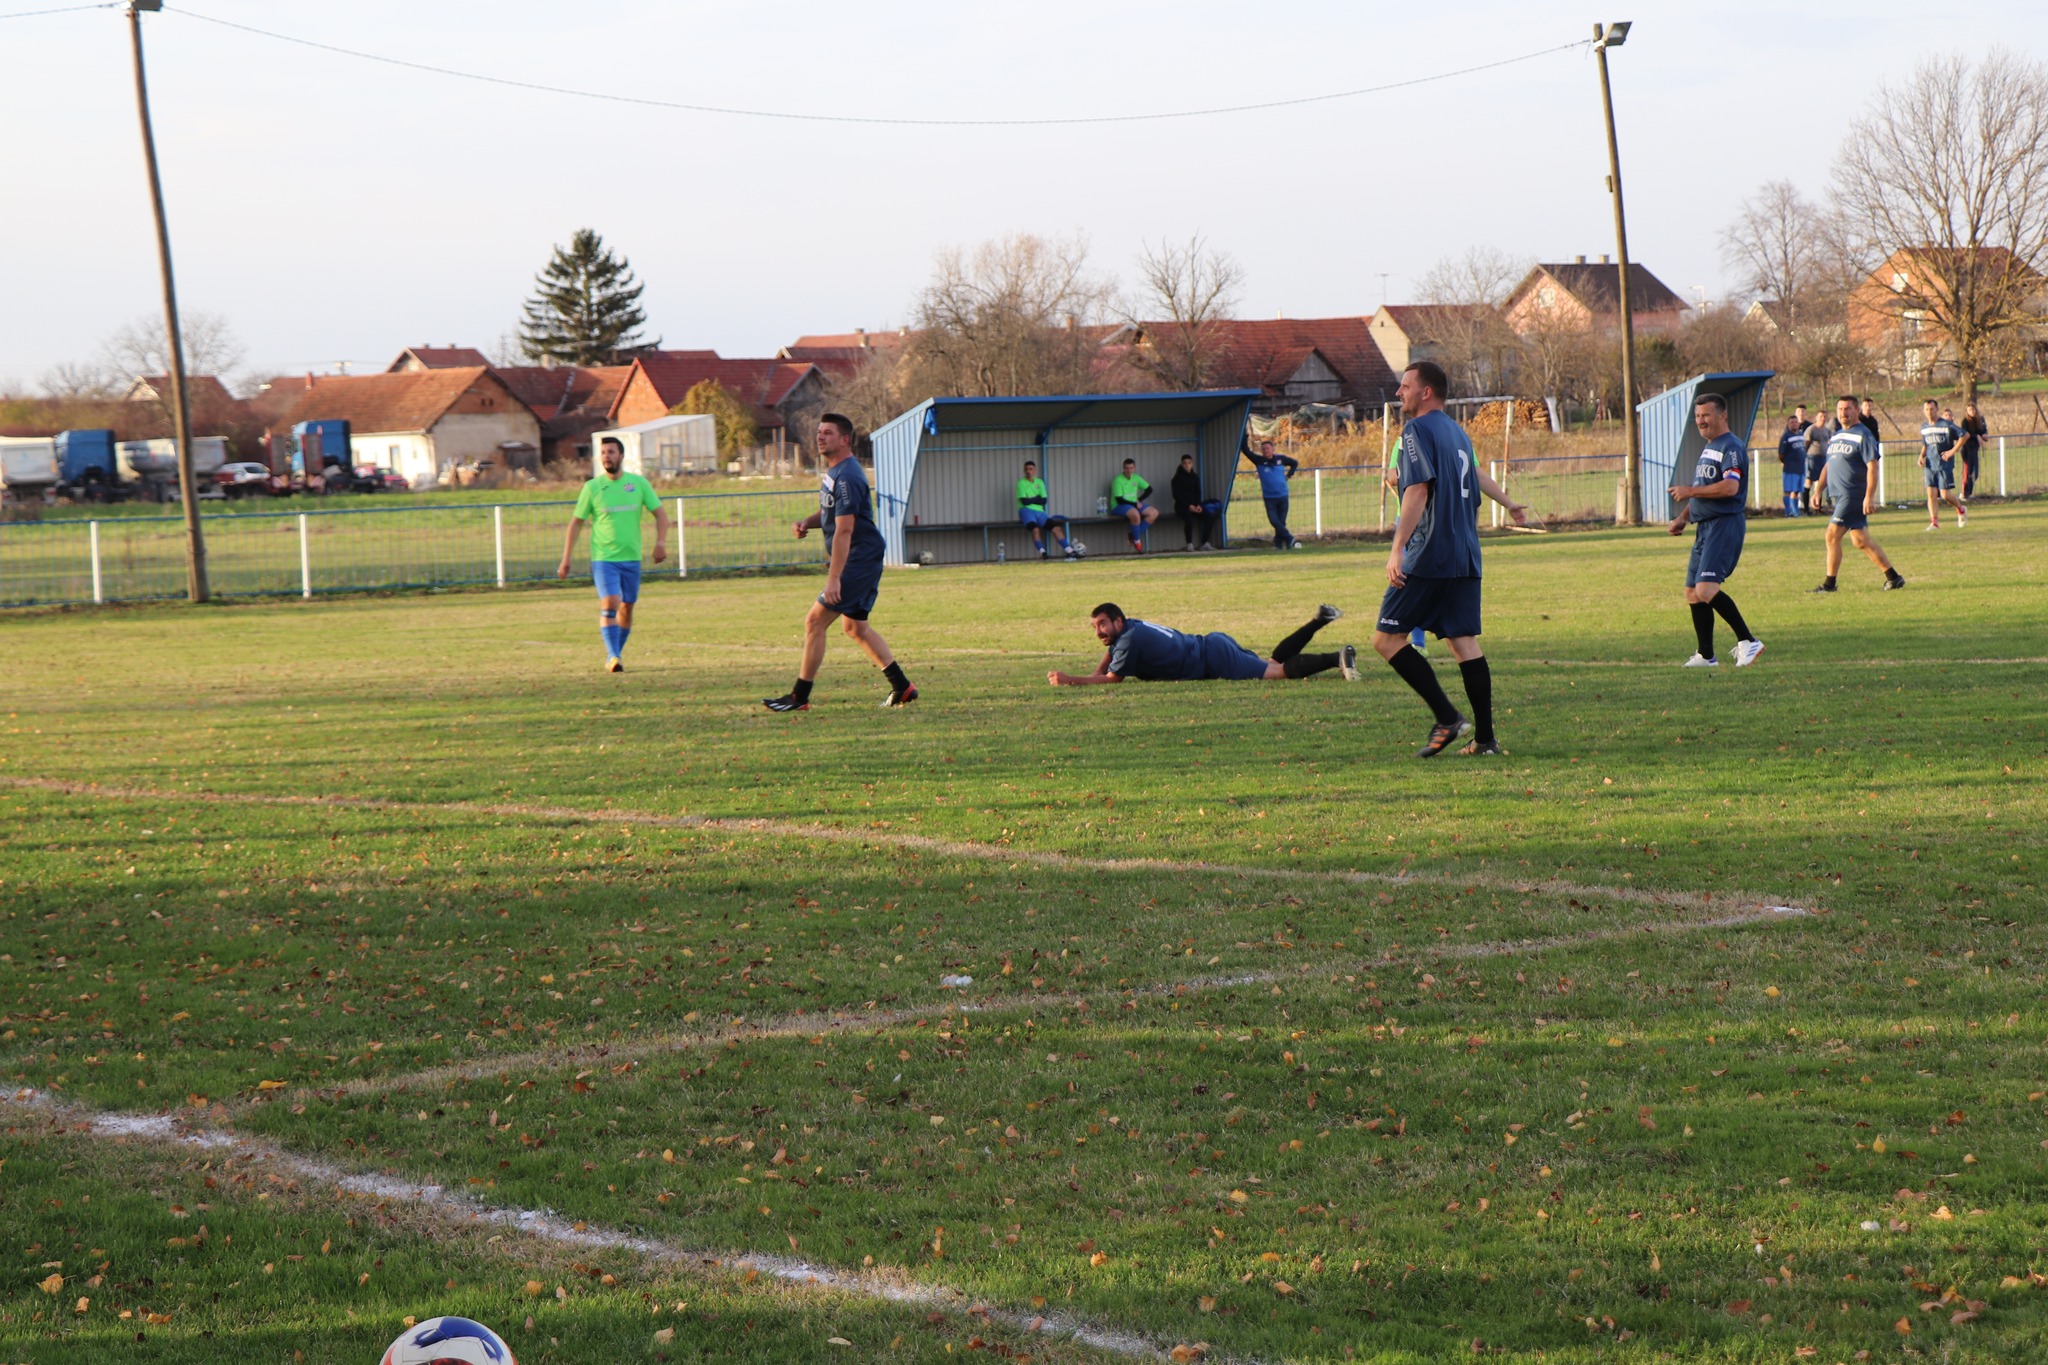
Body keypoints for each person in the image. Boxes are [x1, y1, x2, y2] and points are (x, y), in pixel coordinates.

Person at [1374, 361, 1527, 757]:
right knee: (1464, 644)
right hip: (1465, 554)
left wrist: (1397, 547)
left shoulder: (1416, 430)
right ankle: (1486, 739)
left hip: (1431, 553)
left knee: (1387, 639)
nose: (1399, 393)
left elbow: (1418, 490)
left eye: (1405, 386)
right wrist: (1509, 503)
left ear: (1426, 392)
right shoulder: (1458, 433)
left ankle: (1447, 717)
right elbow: (1473, 475)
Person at [763, 414, 917, 711]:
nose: (820, 437)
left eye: (828, 433)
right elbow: (833, 514)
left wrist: (834, 579)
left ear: (845, 439)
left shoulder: (847, 476)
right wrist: (808, 522)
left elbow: (845, 529)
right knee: (855, 628)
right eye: (819, 432)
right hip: (862, 557)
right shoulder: (836, 472)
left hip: (858, 559)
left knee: (814, 621)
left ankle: (799, 697)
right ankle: (903, 687)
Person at [1668, 392, 1764, 668]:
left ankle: (1748, 640)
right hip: (1705, 527)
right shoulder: (1711, 446)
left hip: (1724, 525)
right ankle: (1706, 655)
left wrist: (1690, 491)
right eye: (1697, 416)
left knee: (1707, 588)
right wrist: (1684, 518)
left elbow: (1730, 487)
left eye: (1706, 415)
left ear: (1723, 416)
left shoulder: (1731, 447)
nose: (1701, 421)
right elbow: (1705, 492)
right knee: (1692, 592)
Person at [557, 434, 667, 673]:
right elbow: (576, 523)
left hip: (632, 558)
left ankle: (613, 654)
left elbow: (661, 514)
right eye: (604, 452)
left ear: (621, 456)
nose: (607, 456)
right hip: (604, 559)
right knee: (611, 601)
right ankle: (615, 656)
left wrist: (660, 543)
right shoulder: (593, 487)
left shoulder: (638, 484)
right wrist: (566, 558)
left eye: (611, 452)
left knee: (627, 607)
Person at [1048, 602, 1357, 686]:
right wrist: (1095, 668)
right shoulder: (1131, 627)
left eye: (1102, 624)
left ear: (1117, 621)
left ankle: (1336, 657)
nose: (1099, 630)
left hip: (1213, 659)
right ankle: (1321, 619)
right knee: (1273, 663)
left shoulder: (1128, 639)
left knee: (1276, 674)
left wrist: (1069, 680)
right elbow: (1111, 653)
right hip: (1212, 643)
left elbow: (1113, 679)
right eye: (1094, 626)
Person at [1814, 394, 1906, 593]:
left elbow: (1873, 467)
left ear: (1856, 410)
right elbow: (1829, 465)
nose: (1843, 413)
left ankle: (1829, 585)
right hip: (1839, 496)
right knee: (1860, 540)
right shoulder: (1836, 435)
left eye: (1847, 409)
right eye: (1840, 409)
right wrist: (1818, 489)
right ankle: (1893, 577)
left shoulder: (1863, 434)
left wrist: (1869, 496)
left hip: (1853, 494)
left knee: (1831, 536)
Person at [1240, 434, 1302, 549]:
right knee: (1274, 521)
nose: (1265, 451)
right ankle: (1289, 538)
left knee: (1281, 522)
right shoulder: (1259, 460)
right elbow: (1246, 450)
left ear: (1273, 449)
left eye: (1268, 448)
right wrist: (1245, 436)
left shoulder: (1281, 459)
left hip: (1283, 496)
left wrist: (1289, 475)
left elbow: (1294, 463)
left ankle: (1279, 544)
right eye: (1263, 449)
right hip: (1269, 498)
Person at [1916, 398, 1967, 530]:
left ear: (1937, 410)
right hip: (1930, 464)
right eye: (1926, 409)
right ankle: (1934, 522)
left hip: (1944, 464)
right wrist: (1921, 456)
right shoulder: (1924, 427)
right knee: (1931, 494)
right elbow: (1926, 444)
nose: (1929, 412)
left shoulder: (1946, 425)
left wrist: (1952, 451)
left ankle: (1961, 509)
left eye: (1932, 409)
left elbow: (1965, 435)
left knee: (1945, 495)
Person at [1015, 459, 1077, 559]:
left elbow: (1043, 501)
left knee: (1056, 528)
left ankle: (1070, 550)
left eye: (1030, 469)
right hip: (1026, 511)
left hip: (1040, 512)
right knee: (1035, 529)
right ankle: (1043, 552)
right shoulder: (1021, 483)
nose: (1028, 471)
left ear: (1034, 470)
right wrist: (1036, 498)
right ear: (1024, 470)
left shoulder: (1039, 482)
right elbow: (1024, 502)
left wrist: (1031, 499)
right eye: (1026, 469)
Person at [1109, 458, 1159, 551]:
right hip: (1118, 506)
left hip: (1133, 504)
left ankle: (1133, 534)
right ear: (1123, 468)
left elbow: (1149, 489)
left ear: (1134, 468)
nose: (1129, 470)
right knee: (1135, 514)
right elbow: (1119, 500)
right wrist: (1135, 504)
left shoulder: (1136, 477)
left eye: (1131, 468)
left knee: (1154, 513)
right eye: (1127, 468)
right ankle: (1137, 543)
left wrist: (1139, 500)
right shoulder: (1117, 480)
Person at [1170, 453, 1215, 551]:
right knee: (1188, 519)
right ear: (1181, 464)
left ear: (1192, 464)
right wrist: (1188, 505)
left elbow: (1198, 492)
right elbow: (1176, 496)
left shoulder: (1195, 477)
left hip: (1195, 506)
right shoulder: (1176, 479)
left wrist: (1198, 505)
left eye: (1189, 463)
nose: (1187, 465)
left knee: (1209, 516)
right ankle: (1189, 544)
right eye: (1185, 463)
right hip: (1181, 507)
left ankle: (1204, 543)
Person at [1776, 412, 1807, 517]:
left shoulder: (1801, 435)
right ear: (1788, 424)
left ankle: (1795, 511)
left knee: (1797, 491)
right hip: (1790, 468)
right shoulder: (1785, 436)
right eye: (1791, 422)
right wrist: (1787, 462)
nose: (1794, 424)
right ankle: (1788, 511)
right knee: (1788, 490)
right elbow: (1781, 454)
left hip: (1800, 468)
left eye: (1795, 422)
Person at [1957, 401, 1989, 499]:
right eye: (1970, 410)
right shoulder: (1965, 421)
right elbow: (1965, 434)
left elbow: (1983, 430)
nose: (1972, 411)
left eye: (1973, 409)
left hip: (1975, 449)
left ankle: (1968, 493)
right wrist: (1976, 436)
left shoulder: (1980, 420)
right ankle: (1965, 493)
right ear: (1967, 411)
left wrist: (1984, 435)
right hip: (1967, 449)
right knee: (1968, 472)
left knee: (1975, 473)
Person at [1803, 410, 1833, 514]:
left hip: (1823, 458)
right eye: (1821, 416)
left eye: (1825, 416)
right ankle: (1806, 508)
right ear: (1816, 417)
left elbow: (1830, 441)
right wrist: (1805, 457)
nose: (1823, 418)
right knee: (1809, 482)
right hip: (1813, 458)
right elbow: (1806, 444)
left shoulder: (1827, 430)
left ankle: (1818, 508)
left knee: (1821, 483)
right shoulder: (1811, 429)